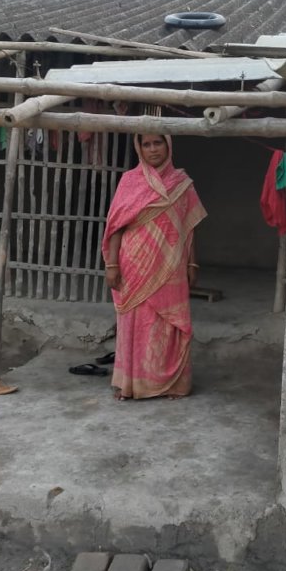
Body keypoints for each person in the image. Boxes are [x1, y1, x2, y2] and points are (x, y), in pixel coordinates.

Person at [101, 134, 206, 400]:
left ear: (168, 145)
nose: (152, 149)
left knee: (169, 323)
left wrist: (193, 262)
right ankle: (130, 384)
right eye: (146, 145)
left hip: (172, 264)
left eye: (157, 143)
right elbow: (116, 226)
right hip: (134, 262)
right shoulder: (130, 180)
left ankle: (172, 384)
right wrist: (112, 264)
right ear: (139, 148)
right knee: (135, 323)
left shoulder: (182, 183)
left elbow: (189, 227)